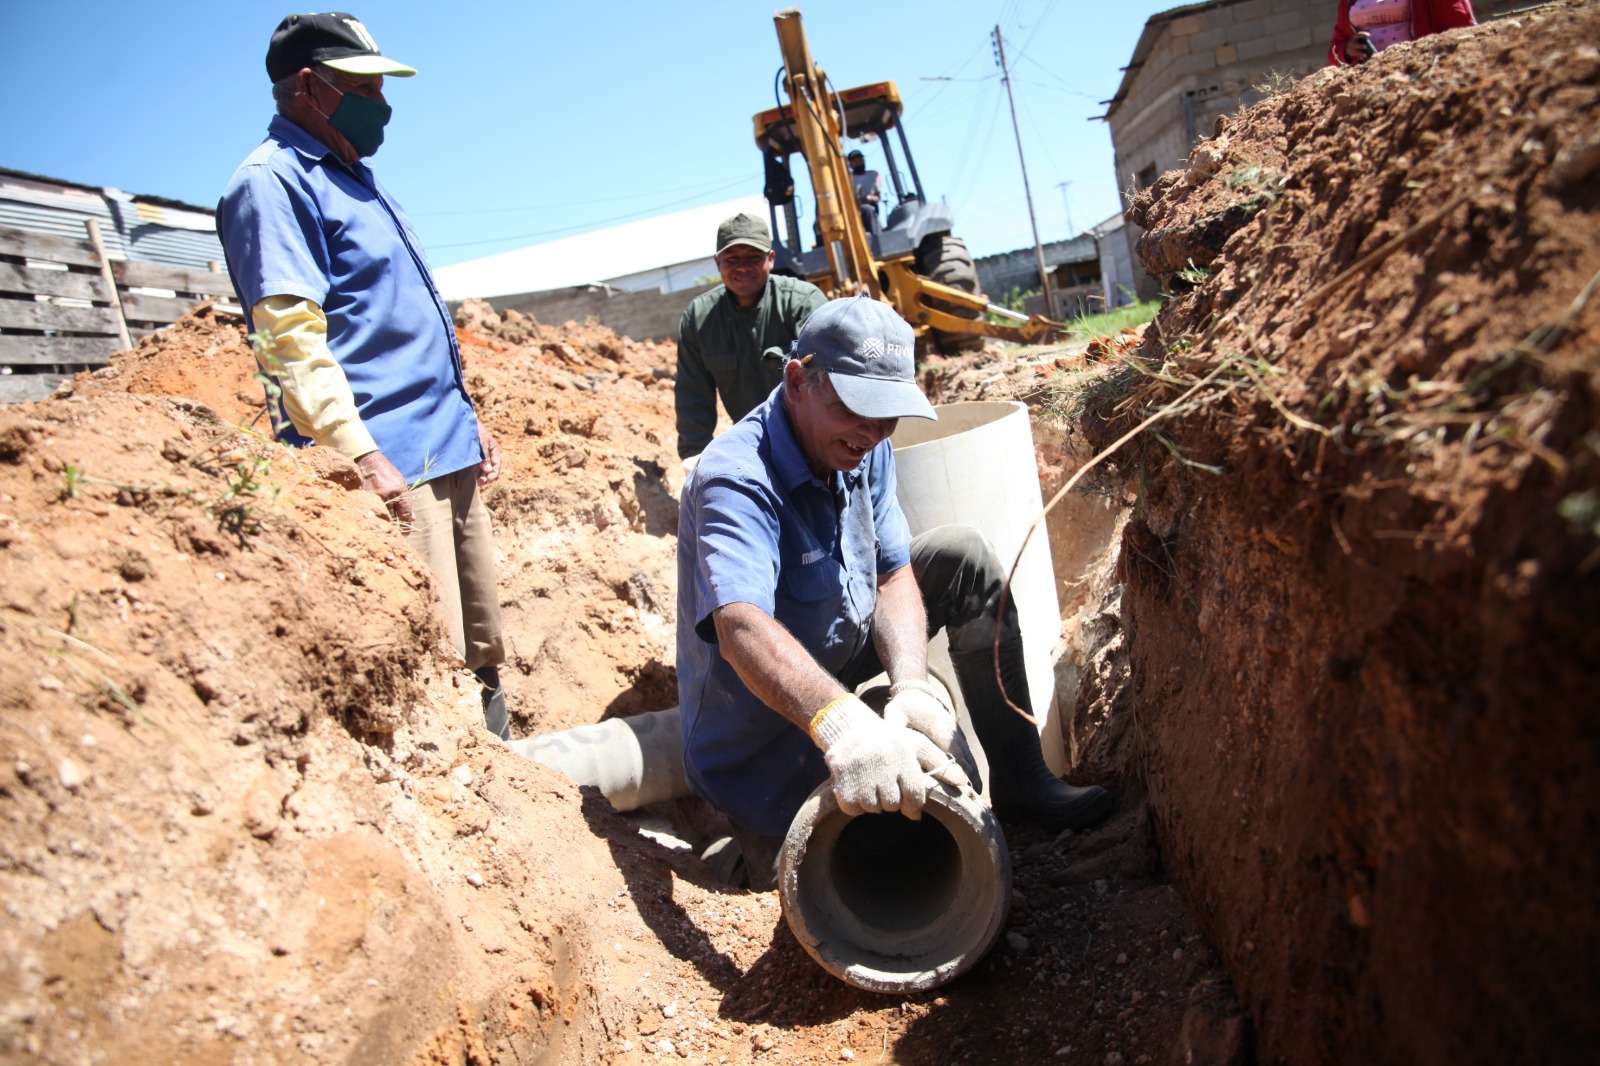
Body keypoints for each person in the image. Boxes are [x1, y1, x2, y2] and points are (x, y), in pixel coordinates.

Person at [676, 294, 1112, 890]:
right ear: (799, 381)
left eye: (889, 413)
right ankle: (726, 852)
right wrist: (843, 726)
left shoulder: (865, 444)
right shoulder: (736, 476)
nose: (876, 431)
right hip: (763, 735)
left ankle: (1021, 778)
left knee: (963, 556)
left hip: (837, 648)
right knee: (845, 884)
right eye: (858, 407)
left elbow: (890, 572)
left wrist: (912, 688)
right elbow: (741, 627)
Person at [217, 12, 513, 738]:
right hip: (389, 467)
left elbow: (398, 318)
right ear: (311, 88)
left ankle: (509, 786)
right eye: (366, 87)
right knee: (429, 661)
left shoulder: (357, 179)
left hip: (444, 444)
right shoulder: (272, 183)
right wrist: (358, 453)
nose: (383, 102)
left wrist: (465, 413)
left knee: (479, 644)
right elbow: (289, 340)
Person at [675, 213, 827, 461]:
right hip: (751, 445)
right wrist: (696, 458)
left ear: (771, 258)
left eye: (754, 258)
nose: (742, 267)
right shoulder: (699, 318)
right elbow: (692, 395)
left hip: (812, 440)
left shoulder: (803, 303)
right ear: (718, 262)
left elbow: (830, 381)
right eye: (732, 258)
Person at [1329, 0, 1475, 65]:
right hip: (1370, 81)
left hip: (1420, 69)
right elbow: (1336, 47)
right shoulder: (1348, 2)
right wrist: (1348, 51)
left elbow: (1460, 24)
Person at [847, 150, 884, 236]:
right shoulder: (847, 179)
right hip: (852, 207)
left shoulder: (873, 175)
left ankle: (875, 238)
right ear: (850, 164)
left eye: (860, 160)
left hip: (868, 205)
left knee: (868, 210)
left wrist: (869, 198)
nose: (858, 163)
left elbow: (877, 197)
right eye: (855, 161)